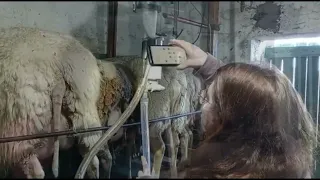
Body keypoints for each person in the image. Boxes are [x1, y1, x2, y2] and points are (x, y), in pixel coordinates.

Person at [137, 39, 317, 178]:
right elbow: (251, 97)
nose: (202, 104)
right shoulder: (287, 158)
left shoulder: (218, 173)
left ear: (227, 118)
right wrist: (207, 63)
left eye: (207, 100)